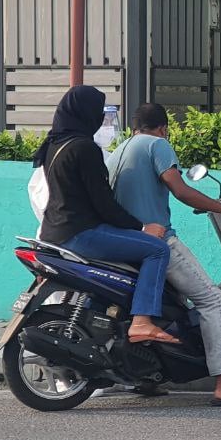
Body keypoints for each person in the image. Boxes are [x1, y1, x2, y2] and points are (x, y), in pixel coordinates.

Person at [107, 103, 221, 407]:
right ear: (163, 129)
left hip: (127, 241)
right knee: (211, 298)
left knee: (171, 304)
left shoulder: (119, 151)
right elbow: (180, 190)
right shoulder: (158, 145)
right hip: (158, 241)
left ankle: (148, 376)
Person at [35, 85, 174, 346]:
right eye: (98, 111)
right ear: (85, 112)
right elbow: (104, 204)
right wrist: (143, 228)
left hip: (53, 233)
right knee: (157, 250)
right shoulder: (84, 148)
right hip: (81, 234)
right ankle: (142, 320)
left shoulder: (54, 144)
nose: (100, 118)